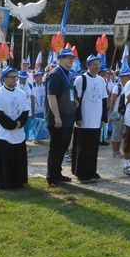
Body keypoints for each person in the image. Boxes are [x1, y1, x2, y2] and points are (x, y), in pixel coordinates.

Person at [0, 67, 30, 190]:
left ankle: (19, 181)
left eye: (15, 77)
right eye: (11, 77)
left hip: (18, 133)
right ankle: (2, 182)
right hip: (4, 134)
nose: (14, 79)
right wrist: (11, 125)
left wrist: (19, 123)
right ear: (4, 78)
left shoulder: (21, 93)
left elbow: (25, 111)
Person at [71, 54, 108, 183]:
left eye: (98, 64)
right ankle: (81, 172)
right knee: (83, 147)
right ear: (88, 66)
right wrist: (78, 117)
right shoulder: (81, 79)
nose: (97, 67)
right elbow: (76, 100)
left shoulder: (101, 80)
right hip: (85, 119)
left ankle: (92, 170)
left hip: (96, 119)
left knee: (93, 147)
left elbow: (104, 100)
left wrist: (104, 118)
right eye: (94, 64)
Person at [44, 48, 77, 187]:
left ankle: (57, 173)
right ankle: (51, 177)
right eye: (68, 57)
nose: (71, 60)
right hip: (58, 119)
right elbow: (51, 96)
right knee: (56, 148)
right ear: (60, 59)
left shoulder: (67, 74)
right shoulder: (56, 74)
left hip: (67, 118)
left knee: (63, 148)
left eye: (72, 57)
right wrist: (57, 117)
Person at [109, 69, 130, 158]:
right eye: (127, 76)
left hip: (124, 113)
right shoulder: (117, 87)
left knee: (121, 133)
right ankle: (115, 151)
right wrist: (111, 114)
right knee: (116, 133)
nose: (129, 78)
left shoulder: (127, 87)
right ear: (122, 77)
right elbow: (112, 101)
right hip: (116, 113)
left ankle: (118, 150)